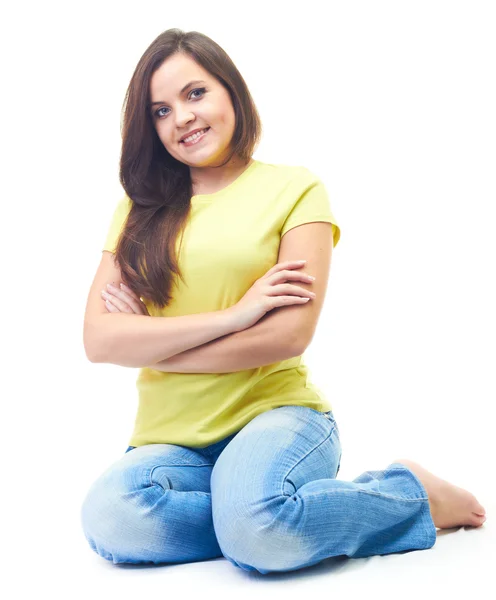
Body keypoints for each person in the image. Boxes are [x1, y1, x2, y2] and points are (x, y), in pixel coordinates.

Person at [80, 28, 486, 573]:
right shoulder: (140, 209)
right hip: (169, 439)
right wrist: (235, 315)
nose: (181, 118)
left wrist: (152, 346)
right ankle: (263, 511)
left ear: (231, 92)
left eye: (195, 94)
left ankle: (407, 495)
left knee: (259, 534)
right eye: (160, 110)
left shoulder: (295, 190)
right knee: (112, 519)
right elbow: (99, 339)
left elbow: (287, 334)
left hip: (276, 416)